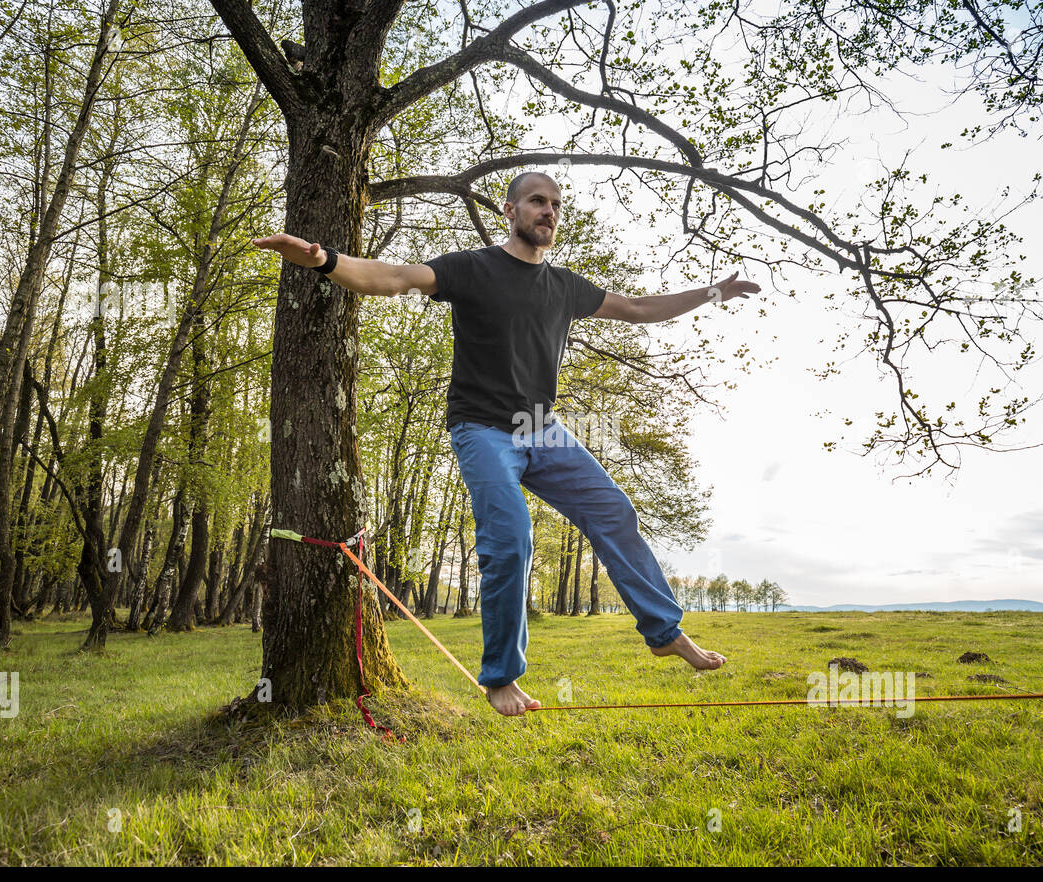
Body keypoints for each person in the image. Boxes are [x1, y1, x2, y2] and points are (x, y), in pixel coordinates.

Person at [253, 171, 761, 716]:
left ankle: (663, 631)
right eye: (537, 201)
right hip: (482, 428)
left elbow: (637, 309)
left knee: (613, 509)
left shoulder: (565, 286)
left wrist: (714, 292)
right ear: (510, 209)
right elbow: (394, 277)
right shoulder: (472, 269)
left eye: (555, 205)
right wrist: (325, 260)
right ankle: (501, 677)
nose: (548, 211)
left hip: (542, 429)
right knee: (510, 533)